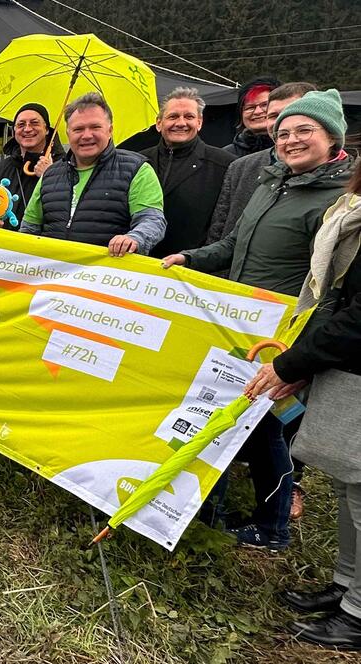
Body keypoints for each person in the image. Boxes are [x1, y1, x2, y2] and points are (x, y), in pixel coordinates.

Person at [163, 89, 355, 551]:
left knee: (267, 425)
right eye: (283, 132)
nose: (290, 140)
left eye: (303, 131)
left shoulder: (339, 202)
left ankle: (272, 526)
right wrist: (191, 258)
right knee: (233, 415)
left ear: (332, 138)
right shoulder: (272, 184)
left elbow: (332, 286)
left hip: (282, 331)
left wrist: (302, 351)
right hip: (240, 322)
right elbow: (232, 245)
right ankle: (212, 510)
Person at [243, 161, 361, 649]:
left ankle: (357, 615)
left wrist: (294, 364)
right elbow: (338, 297)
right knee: (347, 484)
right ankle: (346, 587)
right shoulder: (351, 211)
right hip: (343, 364)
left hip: (350, 359)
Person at [20, 93, 166, 257]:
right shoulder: (50, 175)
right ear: (68, 133)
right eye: (78, 129)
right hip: (52, 277)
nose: (87, 135)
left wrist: (134, 238)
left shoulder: (137, 170)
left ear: (110, 130)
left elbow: (152, 221)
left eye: (95, 127)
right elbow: (28, 229)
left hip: (105, 278)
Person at [207, 82, 318, 245]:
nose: (258, 112)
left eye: (263, 106)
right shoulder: (236, 164)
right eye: (249, 107)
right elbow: (220, 225)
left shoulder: (342, 173)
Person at [140, 87, 235, 257]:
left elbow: (224, 225)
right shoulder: (138, 162)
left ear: (199, 122)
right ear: (159, 123)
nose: (181, 123)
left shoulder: (224, 165)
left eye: (189, 117)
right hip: (139, 264)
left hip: (190, 269)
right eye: (173, 116)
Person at [0, 103, 64, 222]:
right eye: (21, 125)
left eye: (34, 123)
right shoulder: (3, 167)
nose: (27, 129)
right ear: (14, 130)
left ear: (46, 130)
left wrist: (50, 176)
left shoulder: (64, 165)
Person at [223, 77, 281, 159]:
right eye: (250, 107)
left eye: (265, 105)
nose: (257, 112)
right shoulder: (226, 155)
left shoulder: (294, 148)